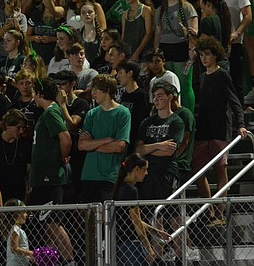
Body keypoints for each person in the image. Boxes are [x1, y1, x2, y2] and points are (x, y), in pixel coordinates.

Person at [193, 36, 247, 223]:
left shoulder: (222, 74)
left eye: (207, 54)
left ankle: (220, 210)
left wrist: (240, 123)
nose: (204, 58)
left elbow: (234, 100)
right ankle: (209, 209)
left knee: (220, 169)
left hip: (220, 127)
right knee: (199, 171)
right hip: (203, 128)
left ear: (215, 55)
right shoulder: (201, 76)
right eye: (201, 54)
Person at [27, 78, 75, 265]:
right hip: (42, 179)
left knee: (53, 223)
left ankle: (69, 260)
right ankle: (51, 260)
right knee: (46, 224)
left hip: (50, 178)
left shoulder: (51, 112)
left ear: (39, 93)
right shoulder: (47, 113)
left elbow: (66, 139)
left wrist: (61, 159)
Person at [78, 75, 131, 203]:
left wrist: (92, 144)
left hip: (108, 175)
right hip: (88, 174)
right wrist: (107, 140)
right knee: (89, 219)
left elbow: (119, 146)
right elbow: (81, 145)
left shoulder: (122, 113)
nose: (93, 93)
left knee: (105, 217)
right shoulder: (92, 113)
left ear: (107, 90)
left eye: (96, 89)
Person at [112, 153, 169, 266]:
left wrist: (155, 231)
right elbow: (136, 222)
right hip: (130, 242)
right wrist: (149, 248)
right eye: (145, 169)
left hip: (119, 241)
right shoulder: (131, 190)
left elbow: (133, 219)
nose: (146, 173)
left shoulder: (119, 188)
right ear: (136, 169)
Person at [4, 199, 34, 266]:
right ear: (16, 214)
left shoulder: (17, 229)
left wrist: (28, 256)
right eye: (24, 212)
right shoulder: (15, 229)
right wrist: (29, 253)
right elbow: (14, 248)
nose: (26, 215)